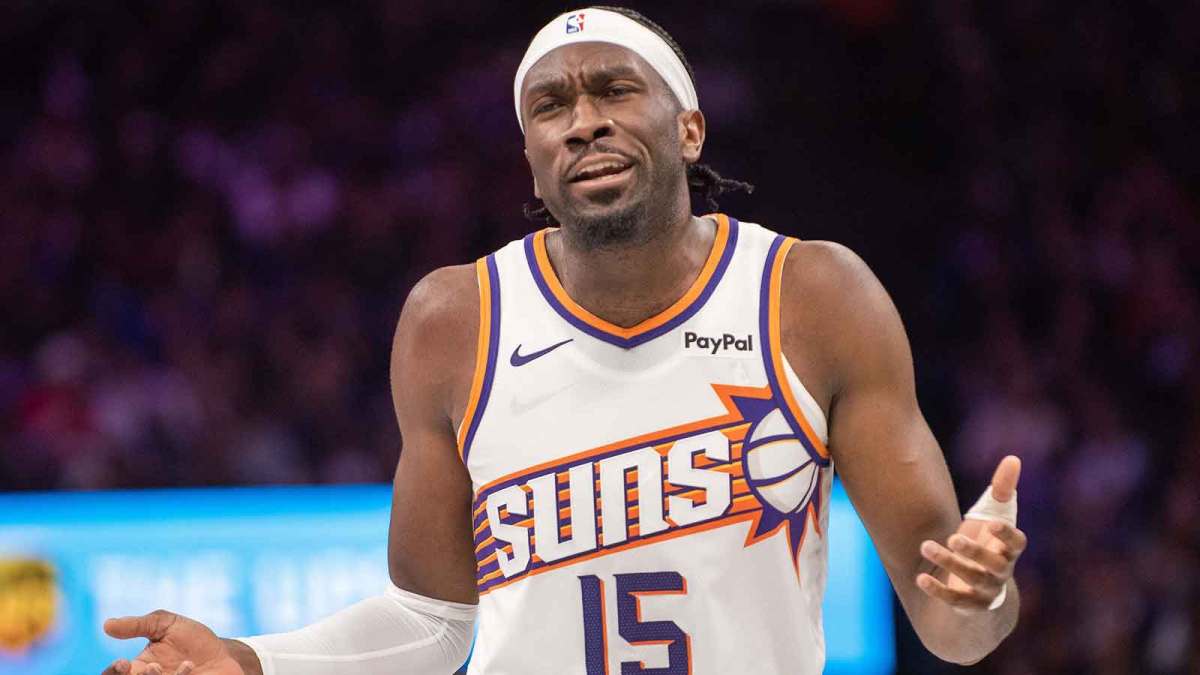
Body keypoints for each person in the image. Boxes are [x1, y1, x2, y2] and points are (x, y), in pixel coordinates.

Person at [100, 7, 1026, 674]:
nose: (584, 120)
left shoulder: (813, 295)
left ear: (690, 128)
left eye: (617, 91)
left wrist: (979, 595)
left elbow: (952, 628)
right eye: (552, 107)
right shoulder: (452, 321)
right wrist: (253, 662)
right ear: (532, 158)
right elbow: (432, 625)